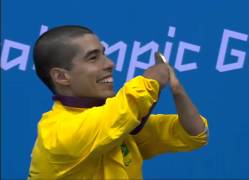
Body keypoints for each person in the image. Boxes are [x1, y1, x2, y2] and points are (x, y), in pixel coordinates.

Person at [28, 25, 209, 179]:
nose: (109, 64)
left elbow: (193, 133)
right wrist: (151, 81)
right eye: (93, 58)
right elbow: (121, 112)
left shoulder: (116, 125)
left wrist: (177, 90)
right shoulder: (59, 133)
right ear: (61, 76)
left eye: (104, 54)